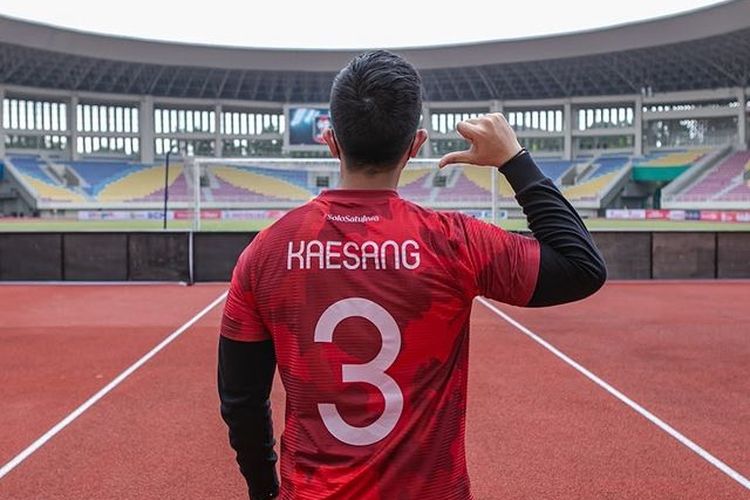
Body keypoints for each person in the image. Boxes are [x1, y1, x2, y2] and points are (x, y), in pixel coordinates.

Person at [218, 50, 606, 500]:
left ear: (331, 141)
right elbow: (581, 267)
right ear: (415, 145)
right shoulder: (455, 241)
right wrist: (514, 160)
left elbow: (241, 401)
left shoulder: (267, 250)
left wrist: (264, 491)